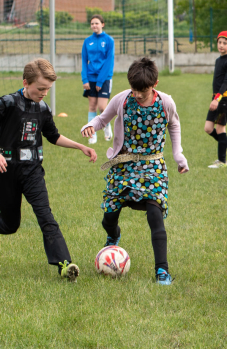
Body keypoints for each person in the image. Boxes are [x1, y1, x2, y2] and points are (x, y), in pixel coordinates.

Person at [0, 58, 97, 282]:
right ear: (25, 82)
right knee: (11, 224)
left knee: (45, 215)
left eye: (48, 89)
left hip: (32, 171)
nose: (43, 93)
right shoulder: (8, 103)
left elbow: (53, 136)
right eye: (40, 88)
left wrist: (80, 146)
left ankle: (64, 264)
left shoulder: (43, 108)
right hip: (6, 170)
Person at [81, 57, 189, 285]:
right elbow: (103, 119)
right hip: (122, 164)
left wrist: (178, 154)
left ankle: (162, 271)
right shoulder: (121, 100)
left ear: (155, 84)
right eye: (134, 89)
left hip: (153, 165)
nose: (138, 94)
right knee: (109, 215)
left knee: (155, 213)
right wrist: (90, 126)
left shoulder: (166, 102)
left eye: (143, 90)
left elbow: (174, 124)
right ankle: (113, 234)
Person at [204, 30, 227, 168]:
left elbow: (226, 83)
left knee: (220, 129)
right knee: (208, 128)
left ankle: (222, 161)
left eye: (225, 43)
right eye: (219, 42)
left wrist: (217, 98)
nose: (221, 45)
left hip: (224, 99)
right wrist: (214, 98)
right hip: (216, 98)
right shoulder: (218, 60)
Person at [81, 14, 114, 144]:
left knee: (102, 107)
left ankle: (107, 128)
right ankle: (92, 134)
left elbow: (109, 62)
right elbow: (84, 61)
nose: (94, 25)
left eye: (97, 23)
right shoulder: (87, 41)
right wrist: (85, 79)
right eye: (92, 23)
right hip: (90, 78)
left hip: (104, 78)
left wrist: (100, 80)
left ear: (102, 24)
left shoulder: (109, 40)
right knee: (92, 106)